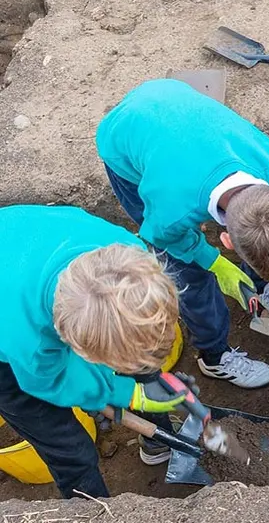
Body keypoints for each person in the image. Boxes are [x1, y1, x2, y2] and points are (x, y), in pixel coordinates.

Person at [96, 79, 269, 389]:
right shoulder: (170, 213)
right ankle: (214, 357)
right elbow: (163, 237)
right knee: (189, 274)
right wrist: (213, 262)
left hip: (174, 97)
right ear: (226, 242)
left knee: (258, 239)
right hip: (123, 141)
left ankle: (261, 284)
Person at [0, 205, 188, 498]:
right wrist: (127, 394)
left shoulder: (130, 259)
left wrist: (137, 380)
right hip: (10, 338)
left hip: (25, 244)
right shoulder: (31, 342)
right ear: (78, 348)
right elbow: (49, 381)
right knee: (69, 448)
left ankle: (158, 441)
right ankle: (96, 510)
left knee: (140, 359)